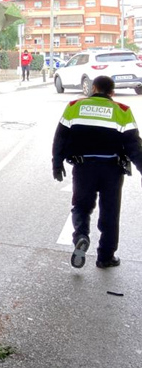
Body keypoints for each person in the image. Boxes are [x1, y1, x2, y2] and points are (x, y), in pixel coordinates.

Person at [52, 75, 142, 268]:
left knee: (81, 207)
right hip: (112, 170)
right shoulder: (123, 111)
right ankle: (105, 257)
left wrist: (57, 163)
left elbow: (60, 137)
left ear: (93, 89)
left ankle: (81, 235)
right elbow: (134, 146)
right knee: (110, 213)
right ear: (112, 92)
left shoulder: (74, 106)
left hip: (83, 168)